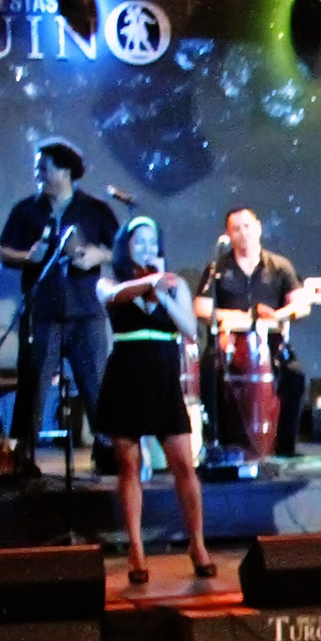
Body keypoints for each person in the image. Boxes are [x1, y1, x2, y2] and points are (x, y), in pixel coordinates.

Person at [91, 218, 215, 586]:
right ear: (125, 245)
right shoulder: (110, 280)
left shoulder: (174, 285)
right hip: (126, 375)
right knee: (130, 465)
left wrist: (162, 290)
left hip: (163, 377)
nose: (146, 247)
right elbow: (113, 298)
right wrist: (149, 282)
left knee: (183, 466)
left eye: (152, 241)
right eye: (138, 241)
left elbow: (189, 329)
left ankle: (198, 545)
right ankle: (136, 551)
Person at [0, 139, 117, 471]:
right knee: (33, 386)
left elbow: (119, 250)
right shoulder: (26, 210)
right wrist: (27, 256)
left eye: (44, 166)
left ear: (64, 170)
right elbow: (4, 251)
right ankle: (23, 457)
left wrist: (98, 255)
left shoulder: (94, 209)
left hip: (86, 313)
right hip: (42, 313)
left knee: (96, 385)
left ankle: (107, 453)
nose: (38, 172)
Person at [195, 205, 311, 454]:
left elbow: (302, 306)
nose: (243, 233)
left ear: (258, 228)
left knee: (295, 376)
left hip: (270, 342)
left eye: (247, 226)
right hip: (228, 343)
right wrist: (234, 316)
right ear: (228, 234)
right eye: (236, 228)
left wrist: (276, 315)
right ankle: (218, 443)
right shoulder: (217, 268)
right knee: (207, 372)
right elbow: (201, 308)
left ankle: (283, 445)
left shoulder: (280, 266)